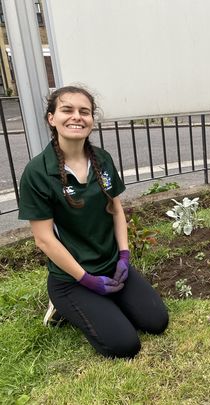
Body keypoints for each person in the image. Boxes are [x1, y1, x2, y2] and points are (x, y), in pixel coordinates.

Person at [18, 86, 169, 358]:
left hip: (112, 266)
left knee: (156, 322)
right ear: (51, 118)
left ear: (91, 120)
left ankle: (105, 301)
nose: (76, 117)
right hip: (73, 278)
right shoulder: (37, 173)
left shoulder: (102, 159)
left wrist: (123, 256)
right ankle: (61, 305)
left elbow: (116, 209)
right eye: (67, 110)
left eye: (84, 111)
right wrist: (86, 279)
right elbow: (44, 239)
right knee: (125, 346)